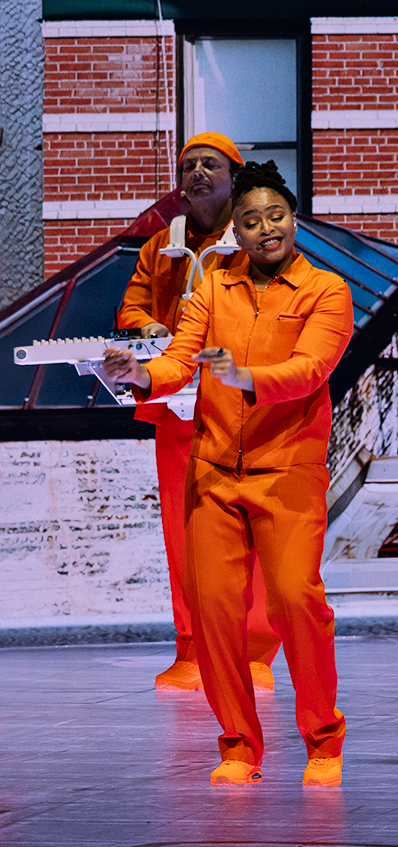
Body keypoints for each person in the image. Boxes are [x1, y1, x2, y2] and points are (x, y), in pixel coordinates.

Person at [103, 162, 353, 788]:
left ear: (294, 219)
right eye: (251, 220)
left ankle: (324, 740)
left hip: (287, 472)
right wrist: (140, 376)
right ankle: (239, 746)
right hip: (213, 472)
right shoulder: (213, 285)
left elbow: (309, 371)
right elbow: (182, 357)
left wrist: (244, 376)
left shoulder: (326, 290)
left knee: (298, 602)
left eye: (277, 215)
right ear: (234, 233)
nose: (267, 228)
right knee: (215, 613)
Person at [117, 133, 283, 693]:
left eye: (210, 164)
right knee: (184, 533)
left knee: (253, 533)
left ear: (234, 178)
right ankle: (192, 649)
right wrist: (147, 327)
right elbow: (133, 305)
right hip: (178, 409)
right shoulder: (162, 244)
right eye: (187, 165)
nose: (196, 173)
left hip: (242, 409)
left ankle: (255, 651)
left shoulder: (258, 239)